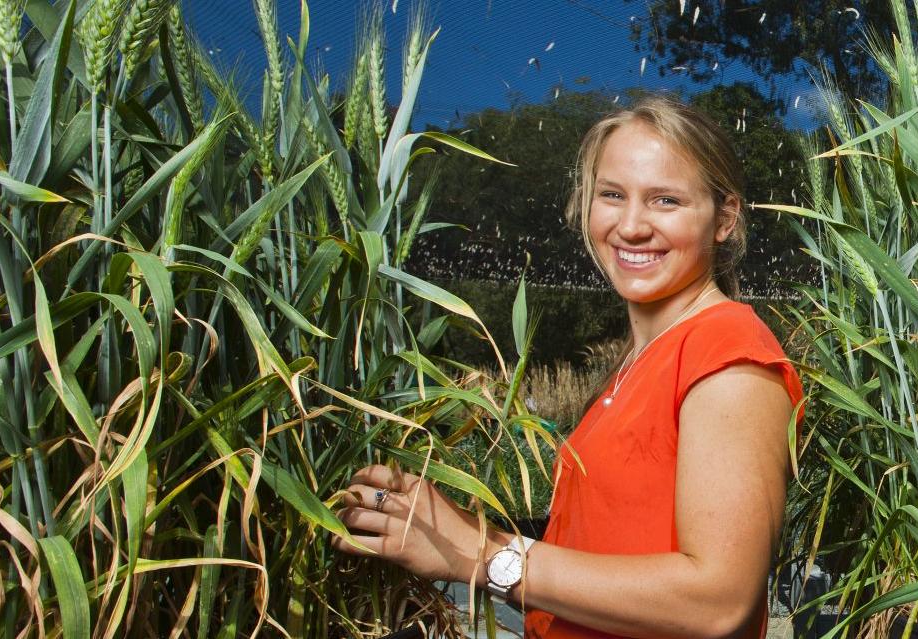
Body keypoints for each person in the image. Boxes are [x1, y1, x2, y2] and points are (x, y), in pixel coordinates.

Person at [330, 94, 803, 639]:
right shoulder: (637, 361)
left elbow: (717, 601)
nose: (630, 226)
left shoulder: (727, 350)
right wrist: (449, 528)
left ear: (724, 218)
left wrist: (482, 553)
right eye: (611, 195)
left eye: (665, 201)